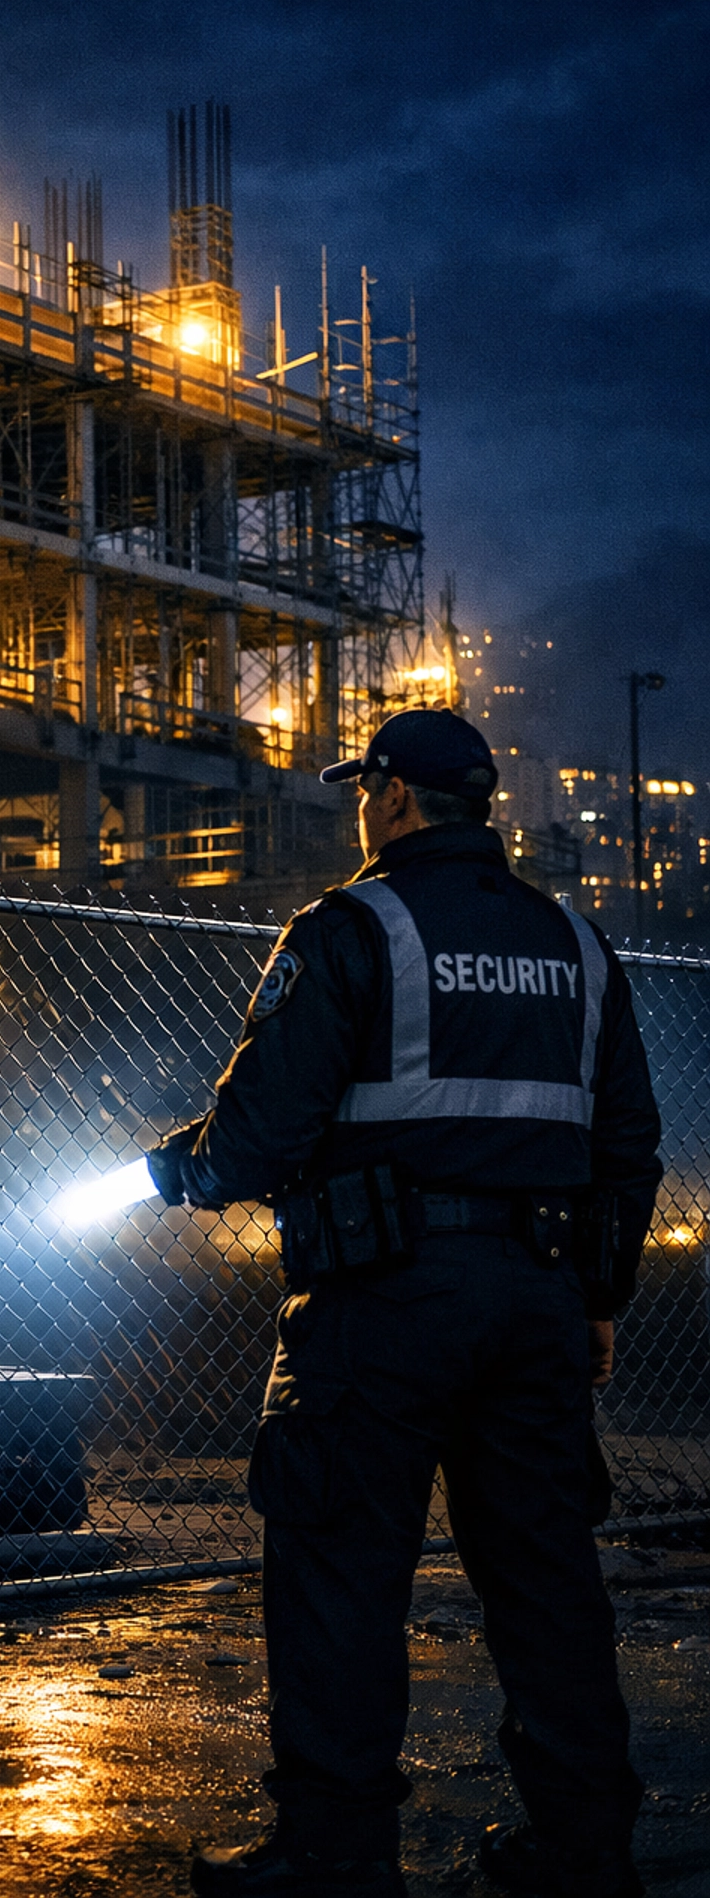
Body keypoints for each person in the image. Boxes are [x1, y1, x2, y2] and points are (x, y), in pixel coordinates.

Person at [147, 707, 662, 1898]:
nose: (359, 810)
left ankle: (336, 1853)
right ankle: (585, 1853)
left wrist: (189, 1168)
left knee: (341, 1570)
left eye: (363, 789)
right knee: (547, 1583)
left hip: (383, 1304)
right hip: (536, 1296)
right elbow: (627, 1142)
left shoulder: (351, 927)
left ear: (391, 796)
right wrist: (597, 1295)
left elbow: (264, 1129)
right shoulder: (575, 943)